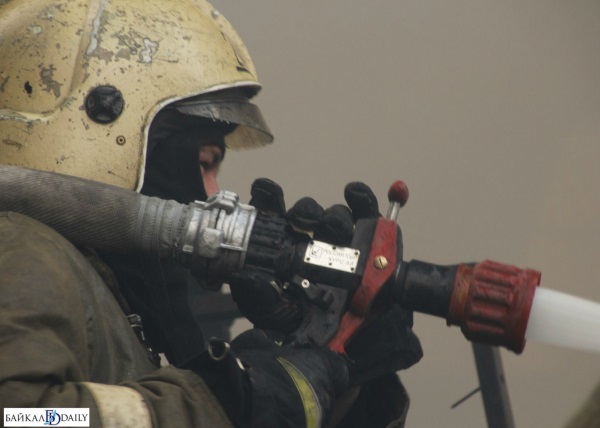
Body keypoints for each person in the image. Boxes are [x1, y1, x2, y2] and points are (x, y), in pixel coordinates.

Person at [0, 0, 423, 427]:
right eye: (204, 162)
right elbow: (22, 417)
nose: (214, 193)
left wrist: (336, 371)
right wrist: (229, 400)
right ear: (100, 127)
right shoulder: (24, 248)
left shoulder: (119, 304)